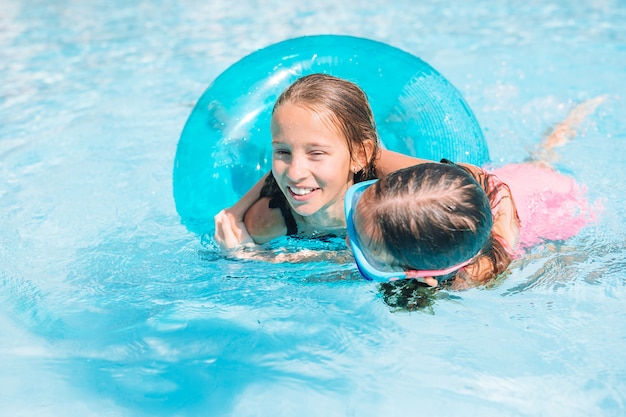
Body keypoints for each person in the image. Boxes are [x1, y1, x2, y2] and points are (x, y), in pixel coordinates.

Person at [345, 97, 605, 290]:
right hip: (515, 183)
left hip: (558, 207)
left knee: (544, 166)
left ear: (425, 275)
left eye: (368, 249)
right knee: (541, 159)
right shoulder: (457, 183)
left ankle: (566, 130)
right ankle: (556, 139)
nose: (347, 241)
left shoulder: (473, 276)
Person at [213, 73, 431, 249]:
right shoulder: (268, 221)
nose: (294, 173)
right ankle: (232, 132)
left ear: (360, 155)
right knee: (244, 157)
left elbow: (462, 183)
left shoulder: (385, 211)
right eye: (282, 152)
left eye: (316, 153)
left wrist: (369, 156)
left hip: (367, 157)